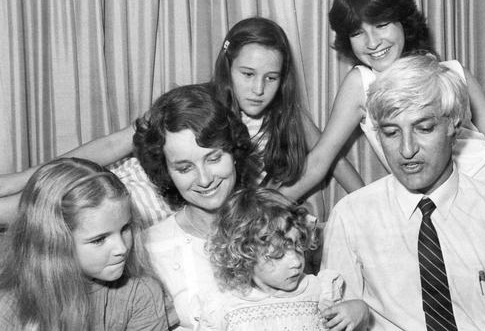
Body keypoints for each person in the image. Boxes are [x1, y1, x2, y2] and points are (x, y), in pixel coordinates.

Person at [0, 17, 364, 225]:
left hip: (175, 212)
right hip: (136, 183)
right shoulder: (199, 100)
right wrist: (22, 176)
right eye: (247, 74)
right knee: (43, 195)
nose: (258, 89)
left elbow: (330, 157)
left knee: (55, 208)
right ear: (228, 66)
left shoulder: (289, 117)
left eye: (271, 78)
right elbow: (114, 144)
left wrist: (370, 204)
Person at [278, 0, 485, 205]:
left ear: (403, 22)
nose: (372, 43)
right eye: (358, 32)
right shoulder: (361, 84)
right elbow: (318, 163)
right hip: (449, 202)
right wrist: (257, 207)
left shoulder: (452, 72)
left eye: (381, 25)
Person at [322, 53, 485, 330]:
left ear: (454, 122)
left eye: (424, 128)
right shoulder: (351, 217)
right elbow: (333, 316)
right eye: (391, 133)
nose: (407, 150)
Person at [133, 83, 260, 331]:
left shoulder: (275, 225)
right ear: (166, 171)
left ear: (234, 152)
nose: (204, 179)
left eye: (213, 158)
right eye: (184, 168)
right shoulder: (149, 250)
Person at [0, 157, 168, 330]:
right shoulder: (10, 304)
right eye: (99, 239)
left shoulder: (139, 294)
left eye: (125, 228)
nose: (121, 248)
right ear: (54, 243)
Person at [200, 187, 368, 331]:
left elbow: (355, 323)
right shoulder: (224, 306)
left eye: (297, 246)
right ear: (245, 255)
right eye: (278, 254)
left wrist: (359, 311)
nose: (296, 262)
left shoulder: (318, 291)